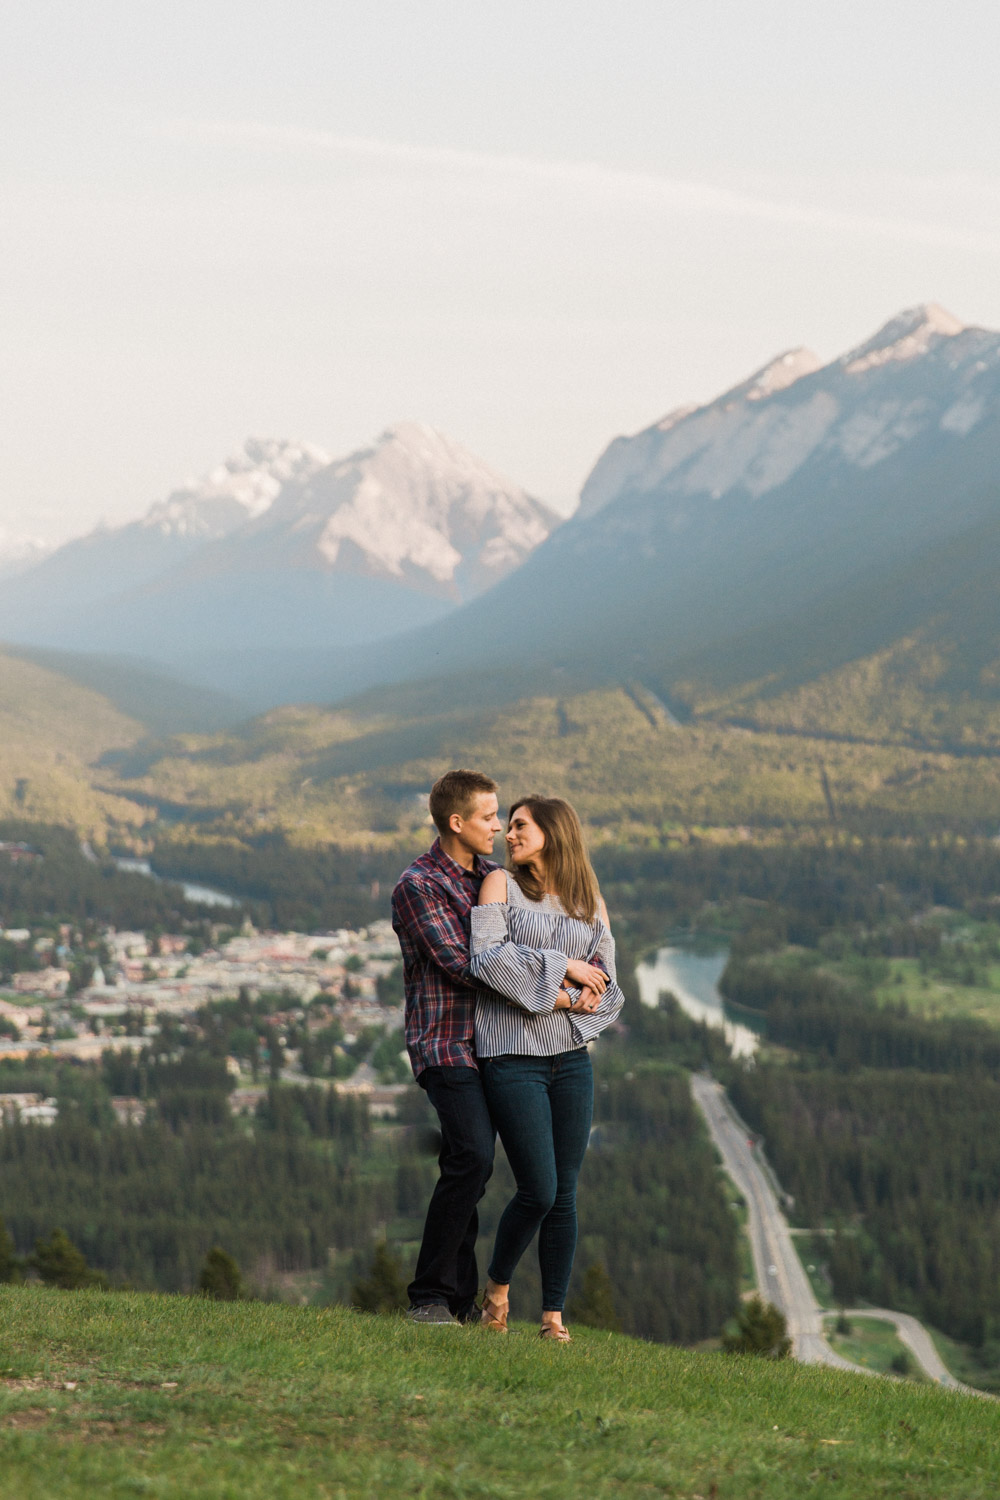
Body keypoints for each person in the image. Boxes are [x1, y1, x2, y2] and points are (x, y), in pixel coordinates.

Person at [468, 795, 624, 1341]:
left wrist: (587, 996)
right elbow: (487, 960)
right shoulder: (499, 888)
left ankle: (553, 1318)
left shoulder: (589, 900)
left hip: (570, 1060)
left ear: (554, 832)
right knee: (539, 1188)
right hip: (512, 1057)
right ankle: (497, 1291)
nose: (509, 835)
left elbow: (607, 975)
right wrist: (565, 978)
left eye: (520, 826)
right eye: (507, 827)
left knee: (567, 1191)